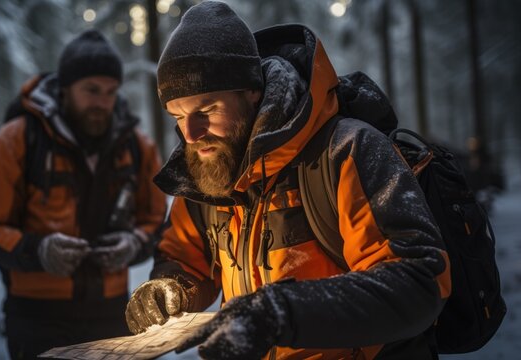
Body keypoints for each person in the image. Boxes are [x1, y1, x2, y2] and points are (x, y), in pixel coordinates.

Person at [125, 2, 451, 359]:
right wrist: (170, 287)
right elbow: (185, 259)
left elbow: (419, 281)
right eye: (178, 115)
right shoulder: (206, 171)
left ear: (251, 92)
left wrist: (282, 312)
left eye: (207, 110)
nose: (190, 133)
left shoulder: (346, 152)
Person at [0, 29, 166, 359]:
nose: (102, 103)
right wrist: (39, 250)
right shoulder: (17, 138)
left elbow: (157, 223)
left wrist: (135, 244)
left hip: (112, 313)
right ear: (65, 89)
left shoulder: (137, 146)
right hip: (36, 319)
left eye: (110, 92)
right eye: (91, 90)